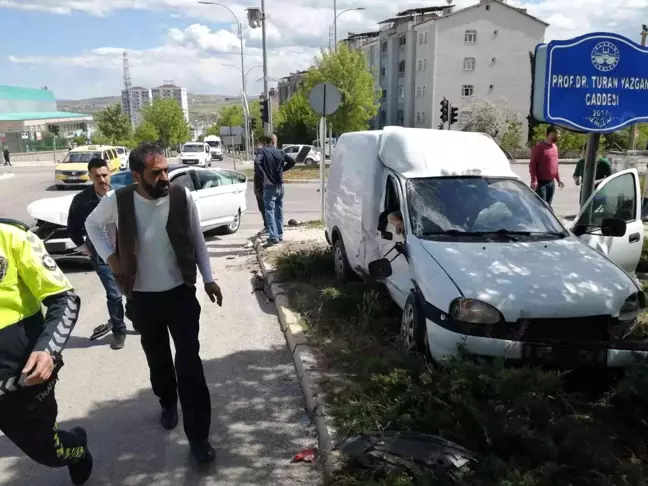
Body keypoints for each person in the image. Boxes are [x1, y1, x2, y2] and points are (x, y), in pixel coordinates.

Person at [85, 143, 223, 464]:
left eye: (165, 169)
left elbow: (197, 239)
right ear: (137, 176)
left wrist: (209, 278)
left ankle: (199, 438)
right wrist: (112, 260)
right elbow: (92, 225)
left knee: (190, 366)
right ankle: (166, 401)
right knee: (158, 357)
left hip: (180, 295)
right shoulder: (118, 201)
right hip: (144, 298)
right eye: (156, 172)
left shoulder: (180, 196)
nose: (164, 177)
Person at [0, 218, 92, 485]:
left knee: (50, 453)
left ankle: (78, 450)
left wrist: (48, 350)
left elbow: (64, 298)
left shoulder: (11, 236)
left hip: (21, 380)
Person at [67, 158, 127, 349]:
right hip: (101, 255)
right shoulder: (82, 200)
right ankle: (119, 330)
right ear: (90, 177)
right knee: (114, 294)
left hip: (125, 251)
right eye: (97, 176)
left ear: (110, 173)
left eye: (105, 175)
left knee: (132, 288)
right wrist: (85, 247)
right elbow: (73, 228)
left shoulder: (121, 194)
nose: (102, 179)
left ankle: (135, 317)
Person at [254, 135, 296, 246]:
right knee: (279, 210)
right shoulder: (280, 152)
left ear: (266, 142)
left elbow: (257, 162)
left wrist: (263, 175)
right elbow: (292, 161)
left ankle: (273, 237)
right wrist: (282, 170)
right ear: (273, 141)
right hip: (280, 185)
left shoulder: (262, 152)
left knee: (269, 211)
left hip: (269, 186)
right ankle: (279, 234)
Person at [529, 125, 564, 205]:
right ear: (551, 134)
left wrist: (558, 179)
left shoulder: (555, 147)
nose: (559, 136)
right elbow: (532, 165)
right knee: (542, 207)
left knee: (548, 206)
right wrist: (534, 180)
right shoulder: (539, 148)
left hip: (551, 183)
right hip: (541, 184)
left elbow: (555, 164)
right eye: (557, 134)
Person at [253, 142, 268, 234]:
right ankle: (268, 226)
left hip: (261, 185)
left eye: (259, 150)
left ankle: (268, 227)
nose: (257, 152)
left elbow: (257, 163)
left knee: (264, 207)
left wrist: (263, 176)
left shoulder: (261, 158)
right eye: (257, 150)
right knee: (263, 207)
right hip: (259, 185)